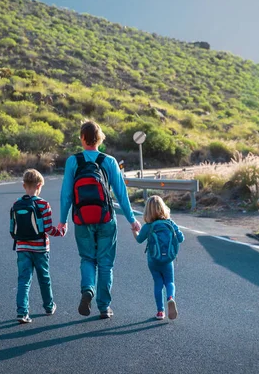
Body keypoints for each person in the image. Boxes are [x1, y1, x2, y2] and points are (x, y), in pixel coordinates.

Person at [58, 121, 141, 319]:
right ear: (100, 138)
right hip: (106, 219)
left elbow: (66, 195)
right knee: (105, 263)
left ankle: (88, 289)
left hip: (81, 219)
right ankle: (104, 307)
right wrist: (132, 220)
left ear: (82, 138)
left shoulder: (73, 161)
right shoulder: (109, 161)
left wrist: (62, 220)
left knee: (87, 258)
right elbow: (121, 194)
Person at [10, 169, 65, 324]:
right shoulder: (43, 204)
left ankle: (22, 312)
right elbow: (48, 229)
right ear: (39, 185)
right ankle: (48, 307)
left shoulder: (16, 204)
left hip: (22, 248)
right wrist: (60, 231)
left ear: (23, 185)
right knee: (44, 278)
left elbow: (12, 229)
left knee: (24, 280)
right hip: (40, 249)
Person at [134, 195, 184, 320]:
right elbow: (181, 238)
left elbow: (139, 239)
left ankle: (160, 312)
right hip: (168, 260)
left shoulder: (148, 226)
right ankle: (171, 298)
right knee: (170, 282)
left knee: (158, 283)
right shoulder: (170, 223)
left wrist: (134, 230)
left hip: (153, 260)